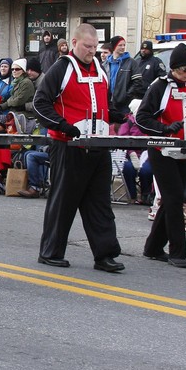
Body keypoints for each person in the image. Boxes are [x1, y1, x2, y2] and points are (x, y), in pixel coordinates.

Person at [31, 23, 125, 273]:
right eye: (87, 46)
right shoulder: (61, 67)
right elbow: (40, 103)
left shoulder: (101, 69)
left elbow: (105, 103)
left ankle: (105, 255)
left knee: (100, 204)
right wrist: (63, 126)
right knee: (63, 201)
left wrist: (117, 115)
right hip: (68, 146)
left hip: (98, 146)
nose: (91, 51)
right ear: (74, 43)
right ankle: (50, 252)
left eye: (95, 47)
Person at [135, 43, 186, 268]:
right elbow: (142, 118)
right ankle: (178, 252)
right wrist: (164, 128)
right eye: (185, 70)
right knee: (175, 197)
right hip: (162, 150)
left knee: (171, 199)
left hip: (183, 150)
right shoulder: (159, 86)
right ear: (174, 68)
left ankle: (153, 247)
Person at [105, 35, 145, 122]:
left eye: (124, 45)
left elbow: (138, 82)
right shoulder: (105, 64)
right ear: (113, 46)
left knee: (123, 129)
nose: (123, 47)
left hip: (124, 105)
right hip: (109, 104)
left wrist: (126, 95)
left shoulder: (131, 62)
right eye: (120, 45)